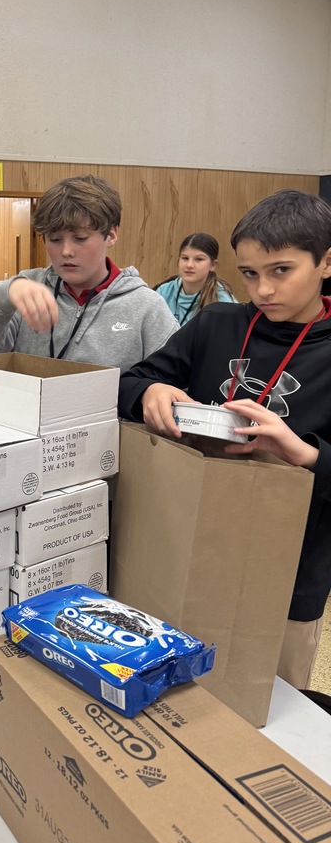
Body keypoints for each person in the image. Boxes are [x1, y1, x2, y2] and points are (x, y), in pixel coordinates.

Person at [119, 189, 331, 690]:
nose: (263, 290)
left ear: (326, 263)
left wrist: (298, 450)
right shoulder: (217, 324)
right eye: (250, 274)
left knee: (273, 702)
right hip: (191, 542)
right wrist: (149, 391)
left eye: (282, 270)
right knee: (181, 693)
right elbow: (129, 383)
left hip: (291, 567)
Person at [0, 175, 178, 372]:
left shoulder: (146, 307)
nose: (66, 251)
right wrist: (6, 293)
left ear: (110, 235)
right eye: (55, 239)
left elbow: (172, 380)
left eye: (80, 238)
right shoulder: (28, 289)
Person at [155, 232, 238, 325]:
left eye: (199, 259)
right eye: (185, 258)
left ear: (213, 265)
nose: (189, 265)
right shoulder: (163, 292)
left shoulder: (223, 302)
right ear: (178, 261)